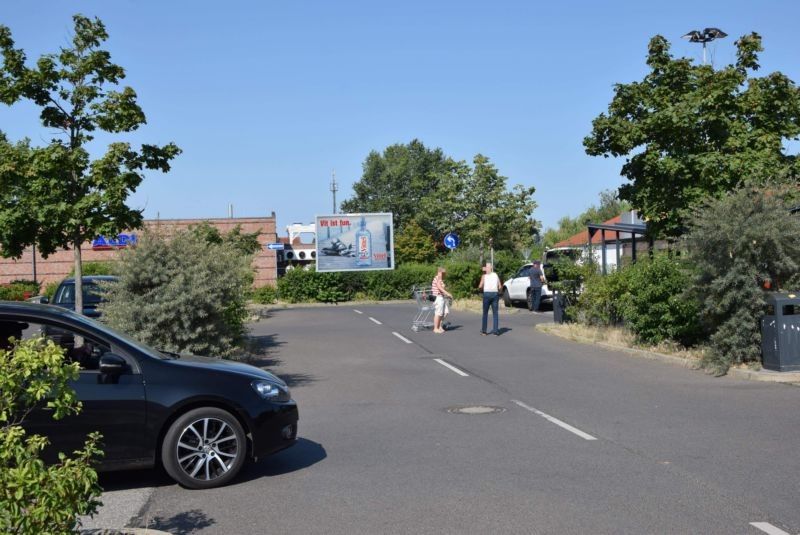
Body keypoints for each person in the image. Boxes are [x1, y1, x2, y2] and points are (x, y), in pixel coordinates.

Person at [478, 262, 502, 335]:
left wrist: (482, 287)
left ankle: (484, 331)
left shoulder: (484, 276)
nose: (485, 268)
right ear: (491, 268)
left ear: (487, 268)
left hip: (487, 294)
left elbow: (480, 286)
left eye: (486, 267)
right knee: (495, 313)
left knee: (485, 313)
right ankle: (495, 331)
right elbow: (500, 286)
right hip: (495, 294)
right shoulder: (496, 275)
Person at [431, 266, 452, 334]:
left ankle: (439, 326)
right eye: (443, 273)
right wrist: (447, 293)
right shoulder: (437, 278)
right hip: (438, 298)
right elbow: (439, 287)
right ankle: (435, 328)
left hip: (442, 297)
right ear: (439, 272)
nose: (444, 275)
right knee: (438, 313)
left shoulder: (440, 279)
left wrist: (446, 295)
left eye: (445, 273)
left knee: (445, 312)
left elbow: (441, 289)